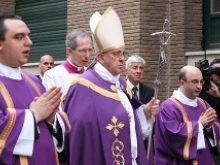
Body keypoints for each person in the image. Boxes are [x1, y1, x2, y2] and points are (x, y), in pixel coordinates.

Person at [64, 6, 159, 165]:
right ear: (100, 57)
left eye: (123, 53)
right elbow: (79, 135)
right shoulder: (82, 86)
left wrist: (144, 113)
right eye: (116, 54)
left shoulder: (122, 85)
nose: (122, 58)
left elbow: (132, 126)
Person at [0, 14, 70, 165]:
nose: (29, 42)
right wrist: (33, 115)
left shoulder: (33, 80)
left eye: (28, 36)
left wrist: (53, 120)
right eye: (19, 37)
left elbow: (55, 125)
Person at [155, 65, 218, 165]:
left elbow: (215, 135)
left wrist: (210, 127)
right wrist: (199, 125)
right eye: (194, 81)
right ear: (181, 82)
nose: (199, 86)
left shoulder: (203, 104)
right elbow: (172, 137)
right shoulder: (168, 107)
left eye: (201, 82)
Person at [43, 29, 93, 95]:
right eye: (82, 51)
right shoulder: (52, 76)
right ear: (69, 51)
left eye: (90, 50)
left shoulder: (92, 74)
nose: (87, 55)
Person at [126, 54, 155, 164]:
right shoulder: (120, 88)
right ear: (127, 70)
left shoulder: (149, 92)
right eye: (135, 68)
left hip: (145, 141)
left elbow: (153, 123)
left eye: (141, 68)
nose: (138, 71)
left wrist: (153, 115)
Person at [199, 58, 220, 164]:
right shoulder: (199, 89)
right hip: (204, 140)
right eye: (216, 71)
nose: (219, 74)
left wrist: (218, 97)